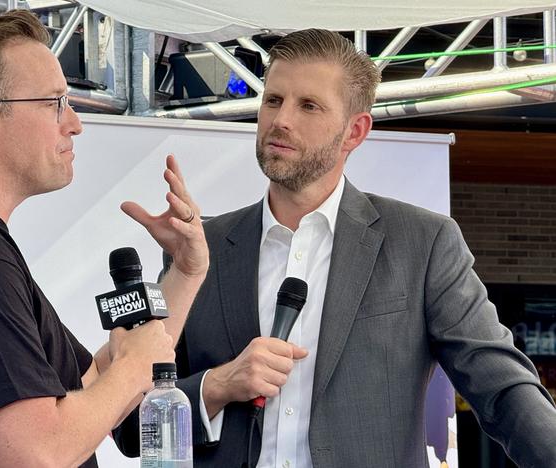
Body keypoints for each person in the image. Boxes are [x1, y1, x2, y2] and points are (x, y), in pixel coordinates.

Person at [114, 29, 556, 467]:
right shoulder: (198, 253)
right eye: (273, 100)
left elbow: (502, 388)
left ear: (355, 131)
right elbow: (131, 425)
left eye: (308, 106)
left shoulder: (422, 242)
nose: (281, 120)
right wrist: (217, 385)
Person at [0, 10, 208, 467]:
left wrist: (186, 272)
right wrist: (135, 364)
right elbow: (38, 454)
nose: (74, 123)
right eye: (55, 102)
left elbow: (92, 389)